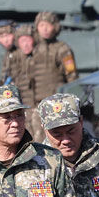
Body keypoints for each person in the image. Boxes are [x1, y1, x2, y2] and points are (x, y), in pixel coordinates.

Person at [29, 11, 78, 140]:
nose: (44, 29)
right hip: (36, 104)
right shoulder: (33, 49)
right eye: (41, 25)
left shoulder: (62, 49)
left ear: (55, 27)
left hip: (57, 104)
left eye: (48, 25)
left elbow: (72, 75)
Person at [3, 24, 36, 108]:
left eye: (28, 40)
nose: (25, 44)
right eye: (22, 41)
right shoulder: (12, 57)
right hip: (22, 102)